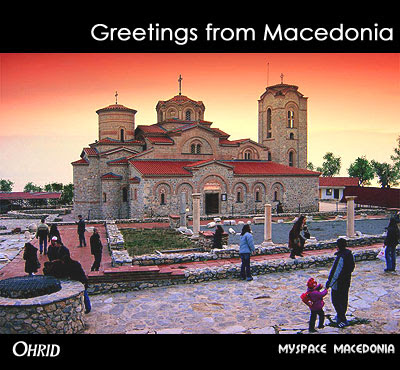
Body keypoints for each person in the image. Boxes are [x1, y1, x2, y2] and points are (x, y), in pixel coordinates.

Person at [326, 238, 355, 328]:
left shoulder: (341, 257)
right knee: (344, 299)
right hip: (346, 281)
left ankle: (342, 319)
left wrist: (328, 284)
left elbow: (336, 272)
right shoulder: (349, 254)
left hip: (339, 283)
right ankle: (341, 315)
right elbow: (352, 267)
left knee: (336, 300)